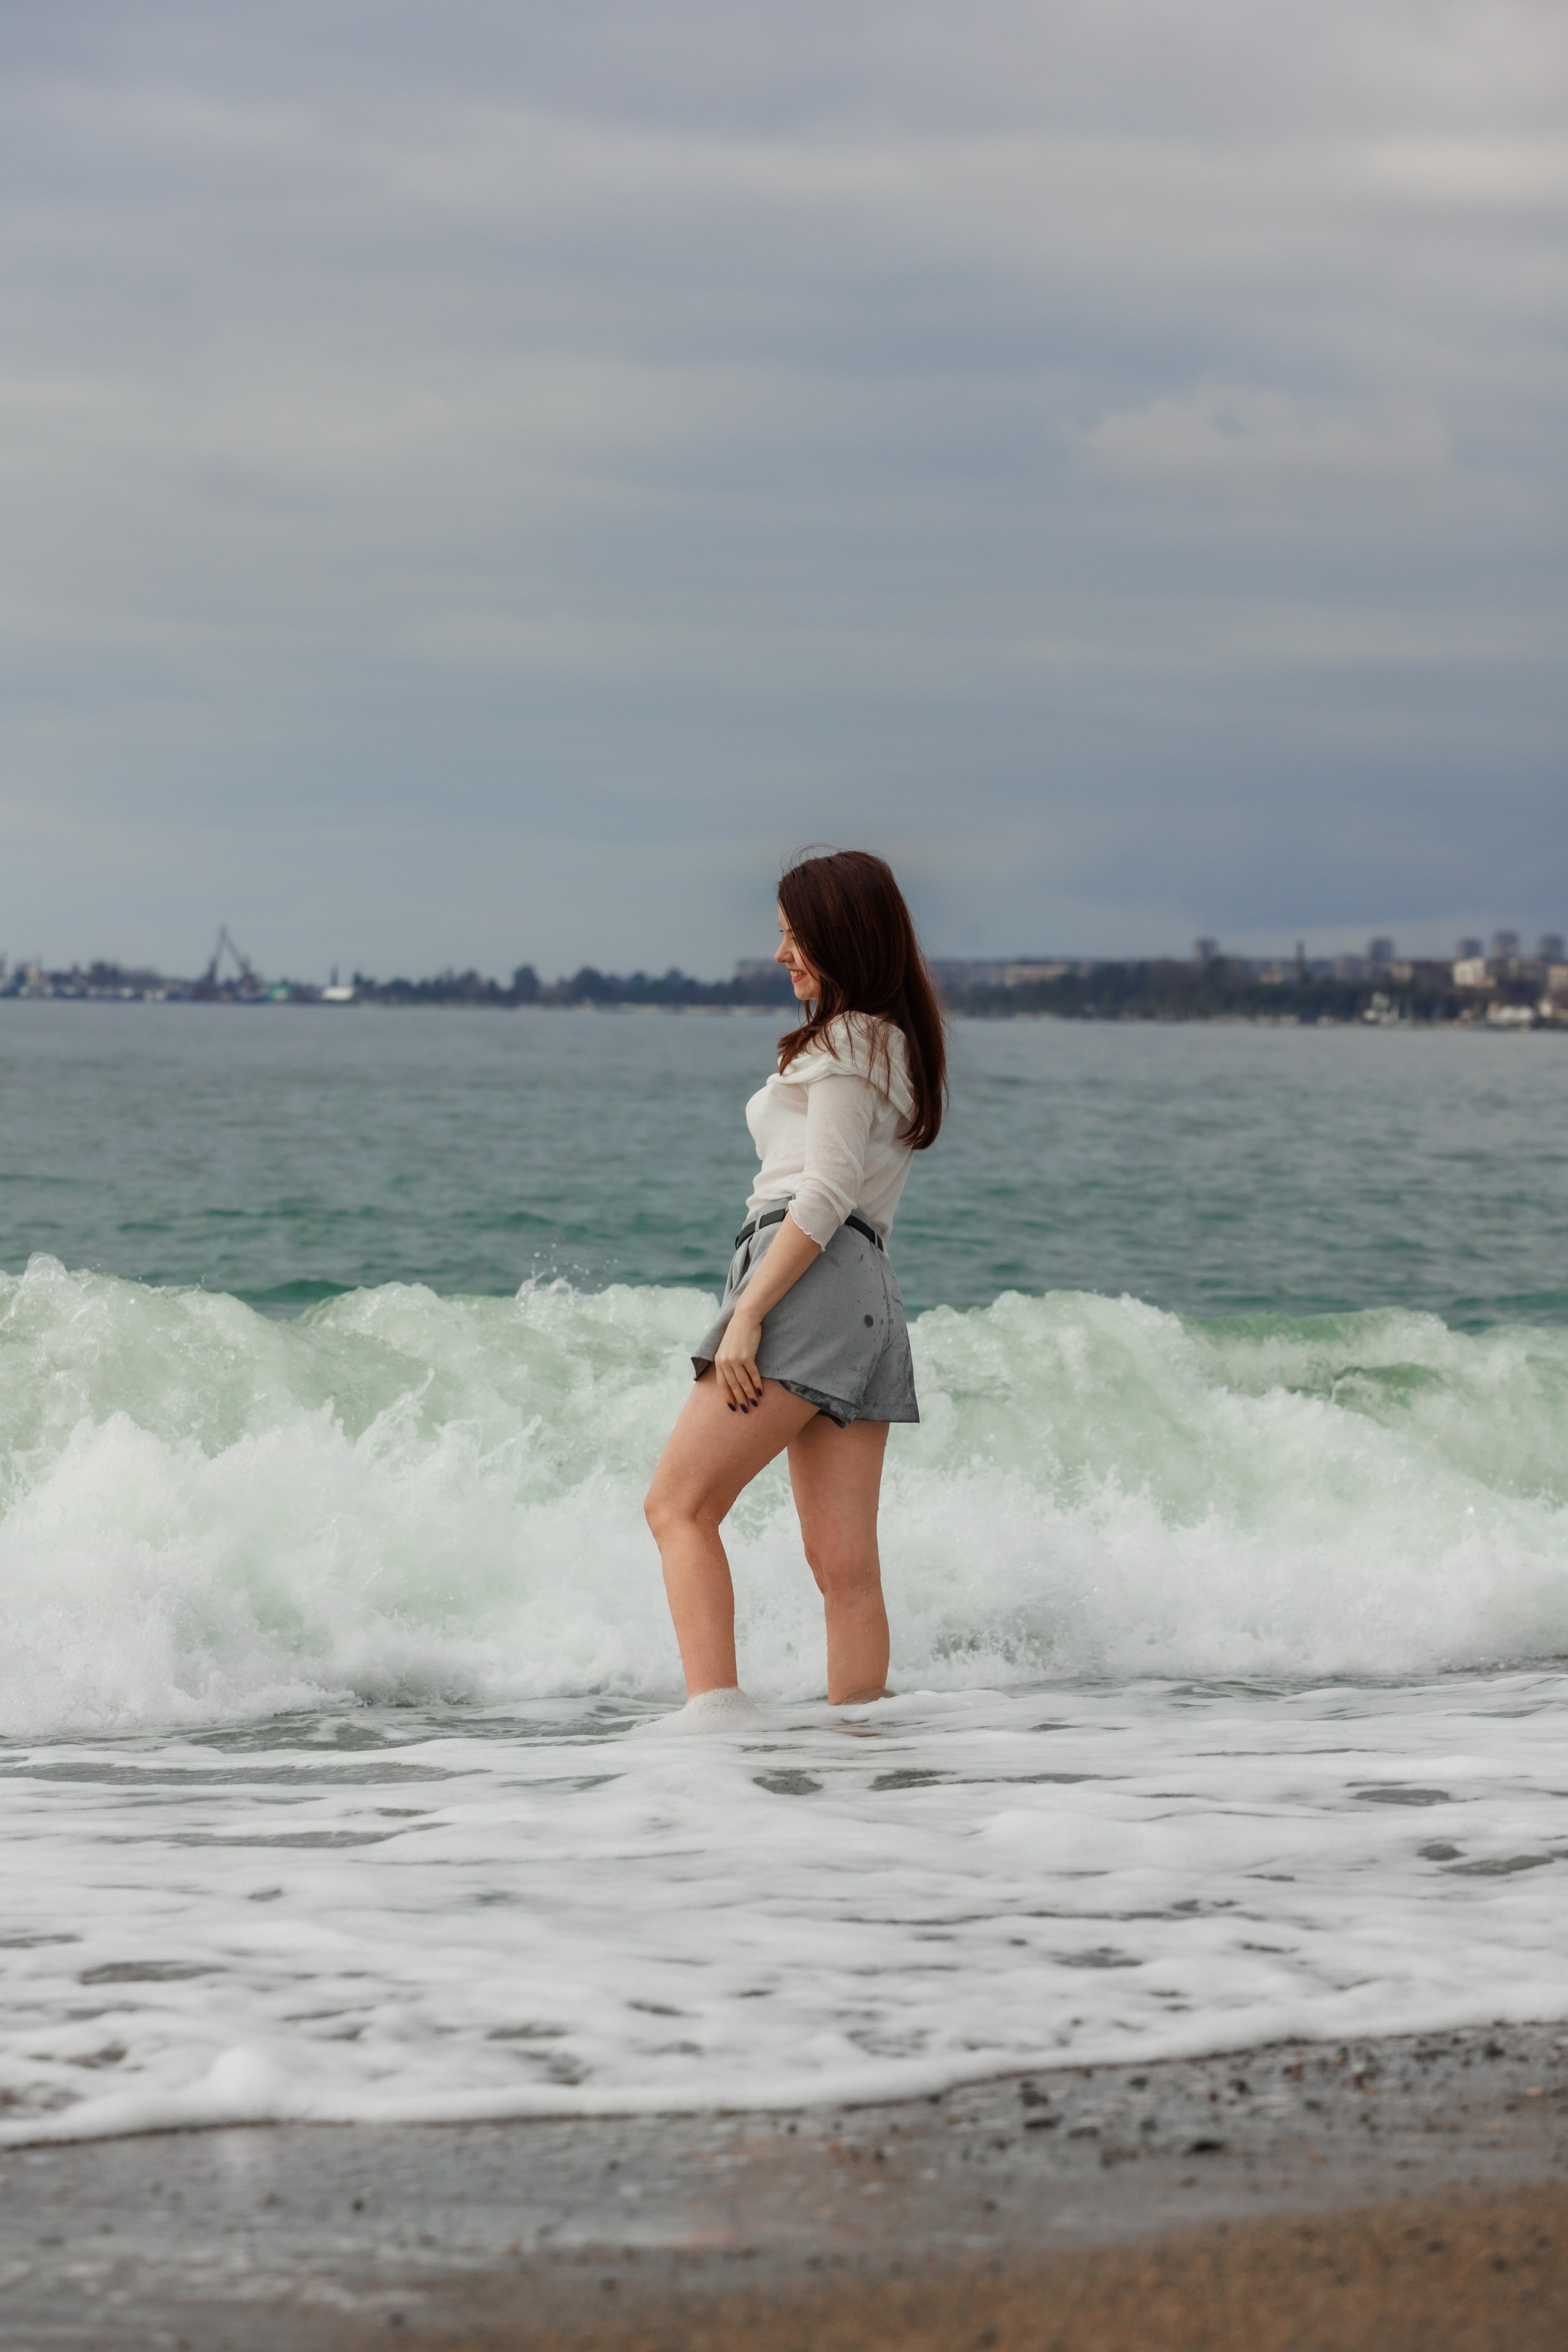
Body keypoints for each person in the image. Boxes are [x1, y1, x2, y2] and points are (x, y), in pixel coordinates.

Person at [643, 850, 946, 1728]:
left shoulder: (849, 1040)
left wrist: (746, 1315)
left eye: (794, 934)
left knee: (678, 1507)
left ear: (840, 938)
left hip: (811, 1275)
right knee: (844, 1568)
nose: (781, 953)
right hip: (865, 1293)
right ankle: (860, 1750)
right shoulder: (891, 1040)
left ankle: (715, 1732)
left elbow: (822, 1194)